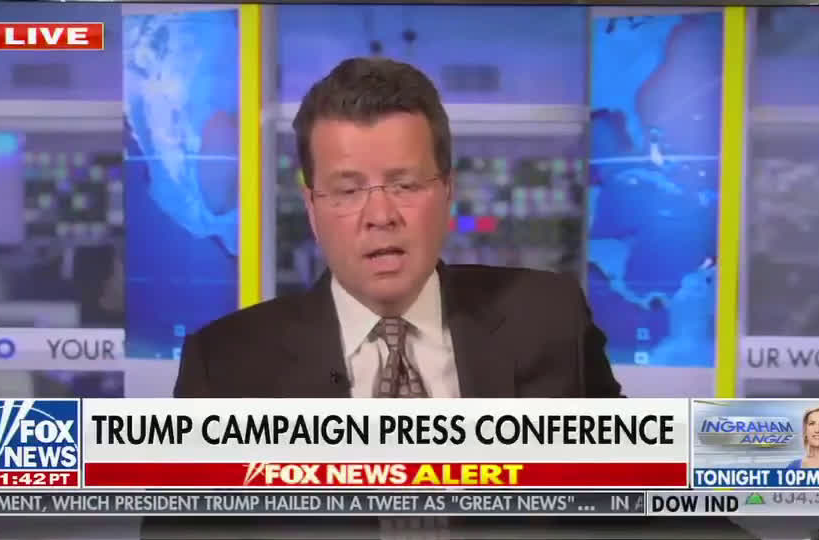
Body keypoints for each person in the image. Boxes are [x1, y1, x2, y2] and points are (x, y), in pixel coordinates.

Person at [173, 56, 622, 400]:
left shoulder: (552, 320)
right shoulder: (224, 367)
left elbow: (625, 488)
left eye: (404, 184)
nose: (381, 215)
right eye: (348, 190)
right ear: (312, 208)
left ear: (447, 190)